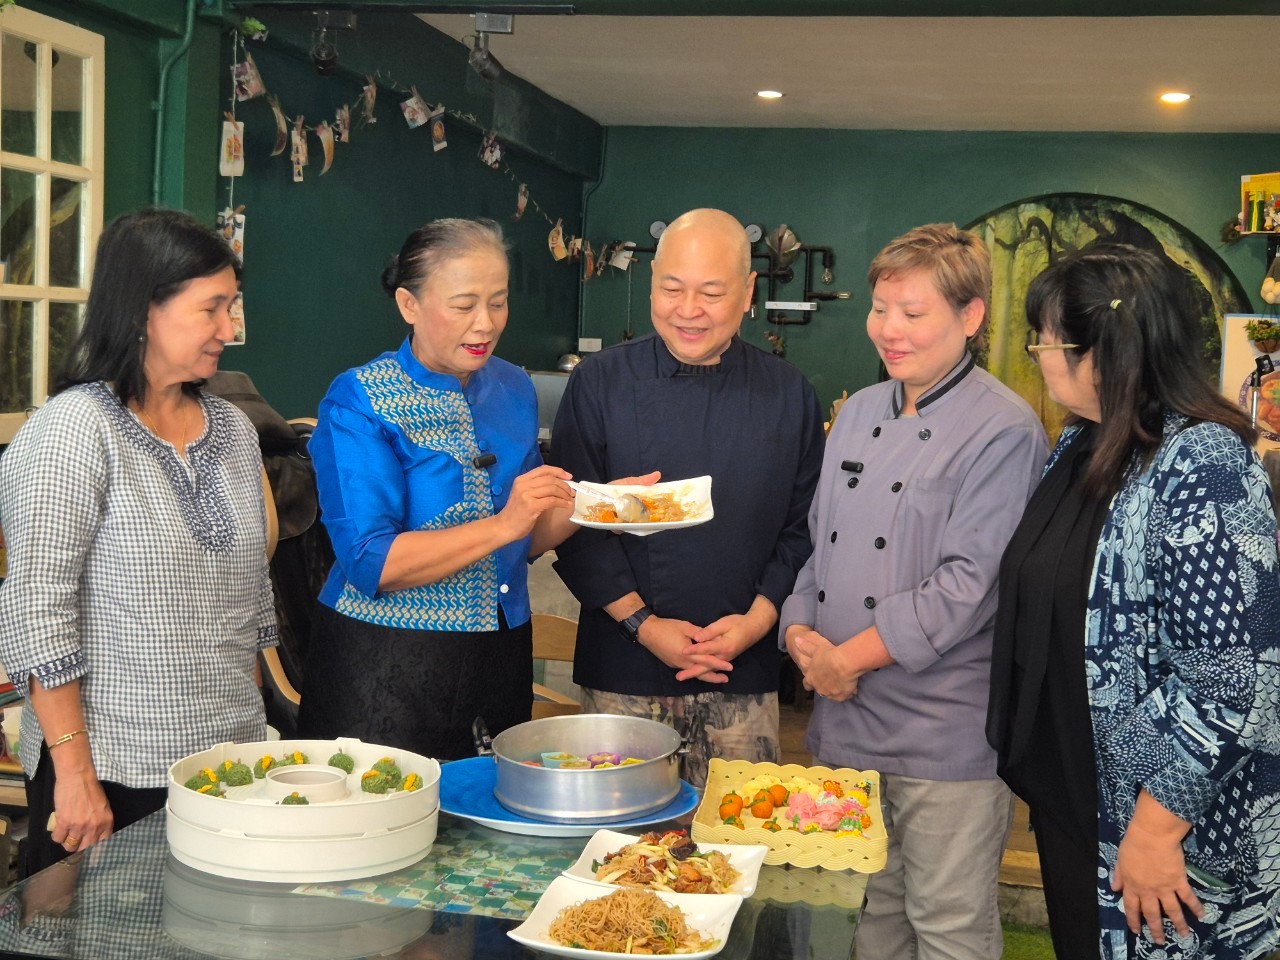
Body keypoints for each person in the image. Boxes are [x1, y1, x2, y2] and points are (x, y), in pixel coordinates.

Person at [987, 244, 1280, 960]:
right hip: (1077, 797)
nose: (1038, 355)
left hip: (1157, 828)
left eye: (1047, 340)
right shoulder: (1085, 439)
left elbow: (1234, 684)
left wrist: (1154, 830)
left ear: (1106, 351)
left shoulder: (1202, 462)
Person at [780, 223, 1048, 960]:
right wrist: (800, 634)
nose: (889, 330)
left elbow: (967, 587)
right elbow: (817, 546)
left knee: (949, 925)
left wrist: (846, 660)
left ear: (970, 317)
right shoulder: (860, 411)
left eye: (913, 312)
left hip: (942, 732)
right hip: (844, 722)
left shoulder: (1004, 429)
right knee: (866, 915)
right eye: (880, 308)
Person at [0, 208, 275, 873]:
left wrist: (258, 749)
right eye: (211, 308)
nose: (228, 330)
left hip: (228, 768)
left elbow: (248, 602)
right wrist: (73, 775)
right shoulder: (73, 431)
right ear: (143, 309)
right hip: (113, 771)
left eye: (232, 307)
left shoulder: (233, 433)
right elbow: (38, 613)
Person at [550, 207, 825, 790]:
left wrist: (755, 623)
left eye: (711, 292)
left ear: (748, 292)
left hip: (742, 669)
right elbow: (571, 526)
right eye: (672, 289)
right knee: (621, 854)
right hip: (621, 665)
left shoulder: (788, 394)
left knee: (738, 847)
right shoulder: (599, 383)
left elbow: (803, 531)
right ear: (652, 287)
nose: (689, 310)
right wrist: (645, 626)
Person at [297, 218, 577, 761]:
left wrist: (602, 506)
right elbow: (369, 561)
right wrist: (503, 524)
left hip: (499, 653)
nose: (486, 323)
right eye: (464, 304)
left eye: (498, 302)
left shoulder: (514, 387)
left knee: (485, 831)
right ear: (409, 304)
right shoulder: (360, 399)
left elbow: (529, 540)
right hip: (384, 664)